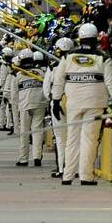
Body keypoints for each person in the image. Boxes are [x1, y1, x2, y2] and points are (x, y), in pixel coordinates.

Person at [50, 23, 112, 185]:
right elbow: (111, 82)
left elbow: (58, 80)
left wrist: (55, 100)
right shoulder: (103, 57)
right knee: (90, 140)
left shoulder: (68, 57)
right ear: (96, 39)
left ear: (80, 39)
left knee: (72, 139)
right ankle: (86, 176)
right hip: (95, 103)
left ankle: (67, 176)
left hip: (73, 103)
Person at [44, 36, 75, 178]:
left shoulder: (53, 67)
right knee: (74, 136)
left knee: (60, 137)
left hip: (58, 101)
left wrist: (52, 100)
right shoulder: (77, 64)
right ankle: (75, 169)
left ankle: (62, 169)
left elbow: (46, 89)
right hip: (75, 101)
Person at [14, 49, 48, 167]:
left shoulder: (18, 75)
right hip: (40, 104)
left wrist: (18, 106)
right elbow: (46, 88)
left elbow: (14, 95)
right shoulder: (41, 73)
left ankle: (23, 159)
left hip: (25, 105)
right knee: (37, 131)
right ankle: (37, 158)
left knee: (24, 132)